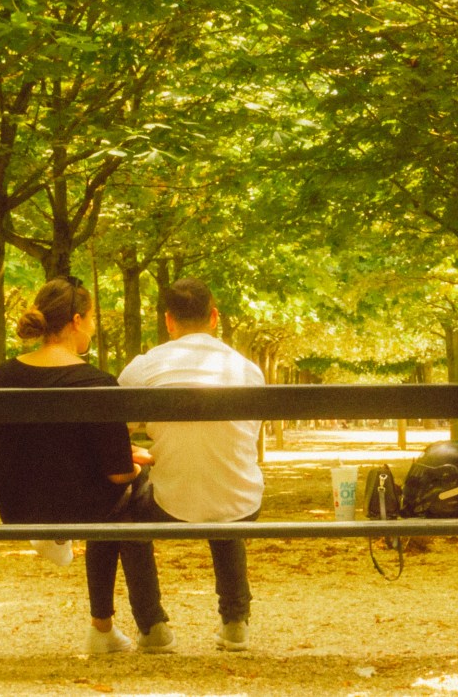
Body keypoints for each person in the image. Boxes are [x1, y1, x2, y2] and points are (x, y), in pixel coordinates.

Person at [0, 276, 174, 655]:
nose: (93, 326)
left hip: (17, 502)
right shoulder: (96, 382)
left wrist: (121, 455)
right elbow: (118, 475)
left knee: (117, 506)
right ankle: (132, 625)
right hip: (77, 504)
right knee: (132, 496)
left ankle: (105, 627)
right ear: (75, 321)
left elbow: (17, 443)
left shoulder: (3, 375)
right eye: (91, 319)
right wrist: (136, 462)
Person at [119, 277, 265, 651]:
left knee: (127, 513)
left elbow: (115, 431)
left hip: (173, 504)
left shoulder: (144, 367)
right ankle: (235, 623)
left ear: (169, 321)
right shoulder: (248, 370)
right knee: (224, 487)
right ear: (214, 317)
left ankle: (152, 628)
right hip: (240, 503)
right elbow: (245, 439)